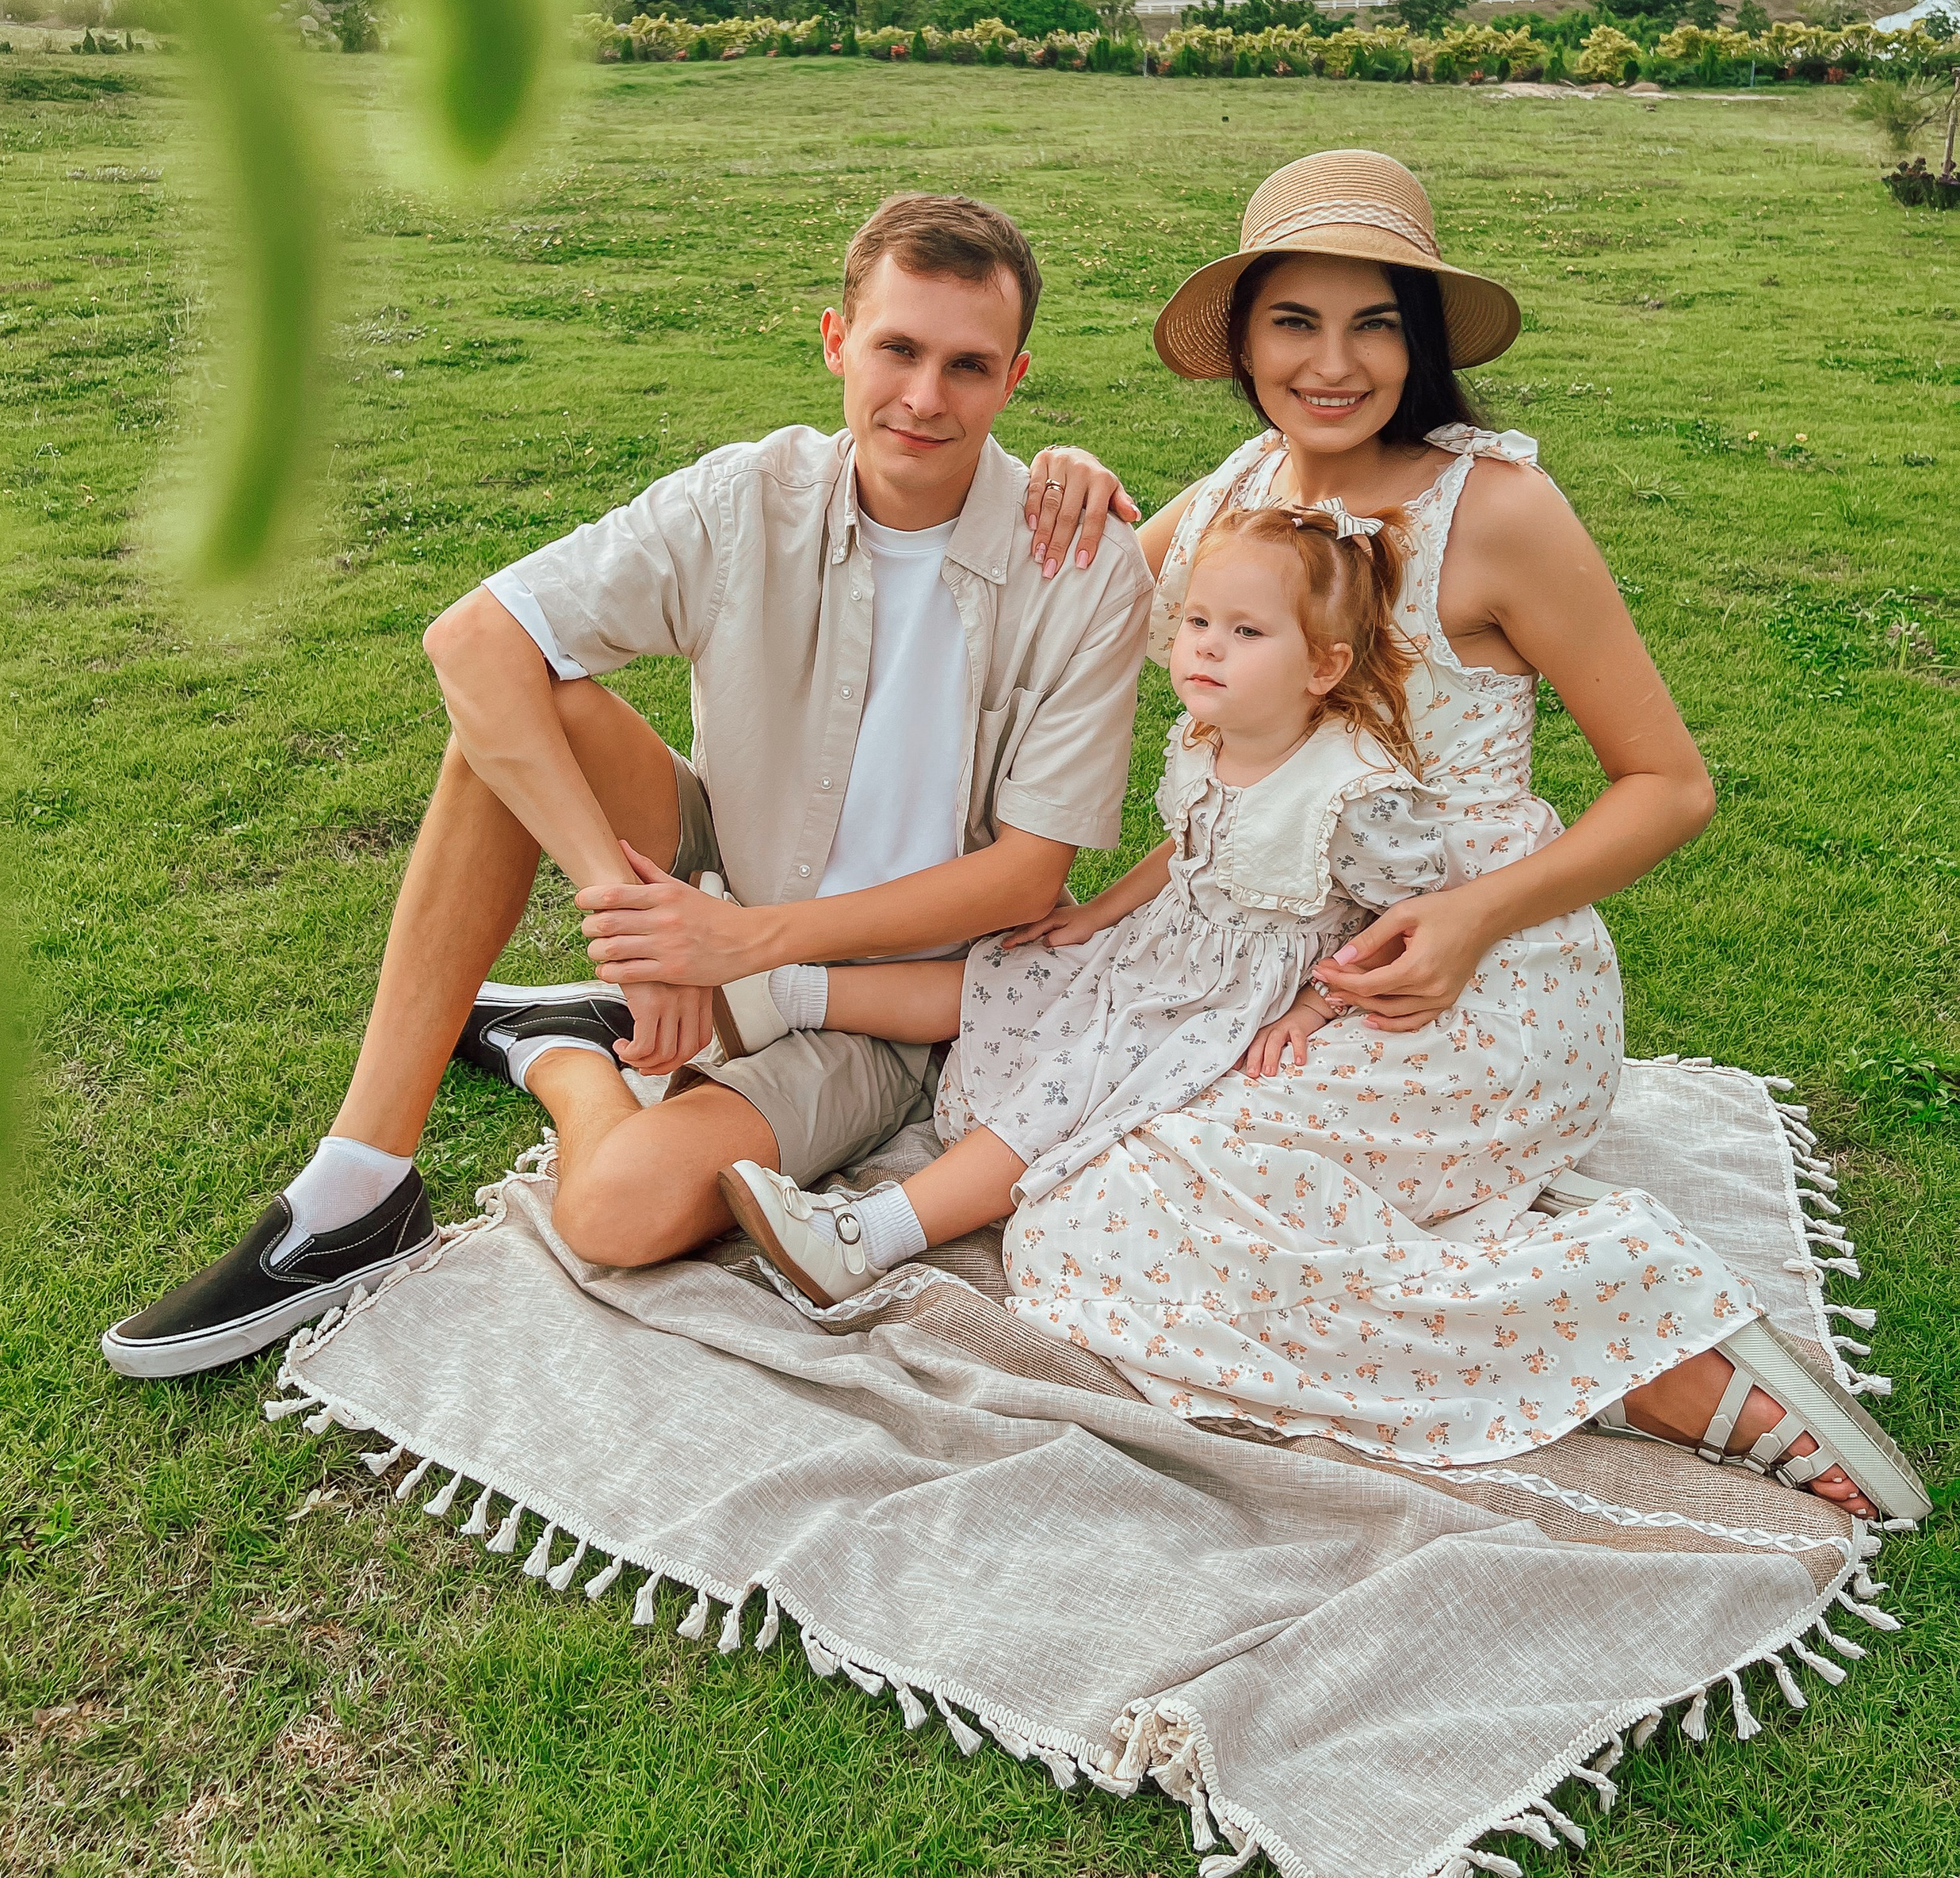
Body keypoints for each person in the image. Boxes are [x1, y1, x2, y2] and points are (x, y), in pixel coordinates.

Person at [995, 147, 1925, 1524]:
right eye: (1295, 321)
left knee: (1096, 1223)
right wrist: (1072, 476)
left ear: (1419, 341)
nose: (1334, 363)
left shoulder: (1494, 509)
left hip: (1477, 989)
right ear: (1243, 341)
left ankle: (1657, 1347)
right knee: (1061, 1157)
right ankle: (1522, 1283)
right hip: (1276, 969)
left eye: (1375, 323)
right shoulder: (1244, 489)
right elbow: (1060, 620)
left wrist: (1471, 917)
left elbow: (1669, 784)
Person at [101, 193, 1152, 1379]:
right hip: (720, 861)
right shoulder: (747, 496)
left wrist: (740, 945)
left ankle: (560, 1047)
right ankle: (359, 1185)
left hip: (888, 996)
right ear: (834, 341)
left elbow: (1026, 878)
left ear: (1015, 378)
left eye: (967, 365)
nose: (924, 396)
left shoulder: (1084, 567)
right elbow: (470, 640)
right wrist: (644, 931)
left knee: (614, 1211)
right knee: (512, 706)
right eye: (897, 349)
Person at [720, 501, 1446, 1306]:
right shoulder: (1213, 738)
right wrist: (1098, 914)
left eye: (1247, 631)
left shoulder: (1353, 792)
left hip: (1232, 996)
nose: (1208, 644)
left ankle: (868, 1238)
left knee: (1071, 1085)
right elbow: (1193, 846)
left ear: (1323, 667)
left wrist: (1312, 1007)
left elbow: (1408, 919)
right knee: (1011, 971)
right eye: (1199, 620)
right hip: (1168, 947)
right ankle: (780, 994)